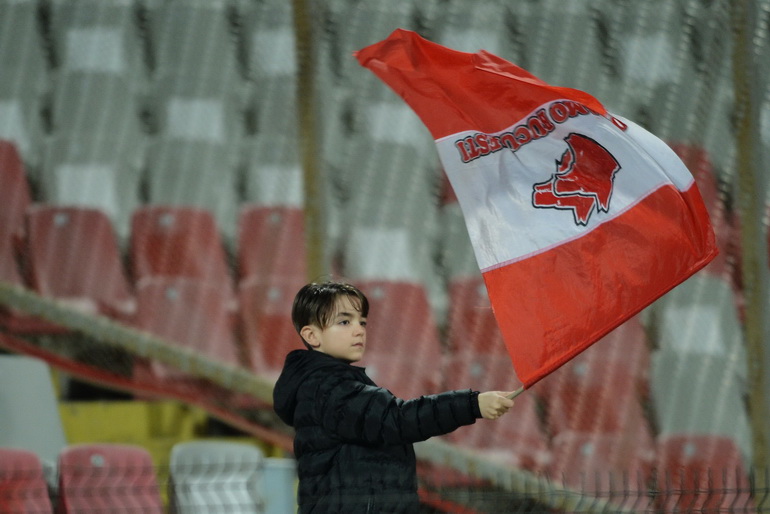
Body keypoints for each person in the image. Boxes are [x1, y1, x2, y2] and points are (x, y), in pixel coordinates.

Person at [273, 280, 515, 513]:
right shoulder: (327, 387)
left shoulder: (332, 383)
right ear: (312, 336)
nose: (358, 330)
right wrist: (471, 404)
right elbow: (397, 419)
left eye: (362, 322)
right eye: (345, 322)